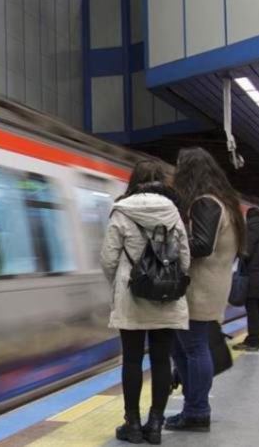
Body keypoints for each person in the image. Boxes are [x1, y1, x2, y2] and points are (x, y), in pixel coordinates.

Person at [100, 160, 190, 444]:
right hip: (166, 297)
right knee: (162, 359)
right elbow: (185, 259)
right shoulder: (173, 212)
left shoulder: (122, 211)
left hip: (131, 296)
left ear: (134, 181)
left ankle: (133, 425)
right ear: (162, 182)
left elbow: (108, 259)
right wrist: (169, 277)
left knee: (132, 360)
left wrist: (120, 282)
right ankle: (155, 425)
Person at [166, 147, 246, 432]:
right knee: (183, 347)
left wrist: (170, 244)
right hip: (211, 285)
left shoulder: (205, 203)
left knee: (194, 348)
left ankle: (198, 411)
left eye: (179, 167)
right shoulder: (224, 202)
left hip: (200, 288)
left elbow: (201, 245)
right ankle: (193, 407)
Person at [233, 207, 259, 351]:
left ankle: (252, 342)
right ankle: (255, 339)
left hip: (253, 277)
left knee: (252, 310)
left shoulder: (251, 232)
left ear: (248, 218)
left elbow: (246, 253)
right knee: (257, 309)